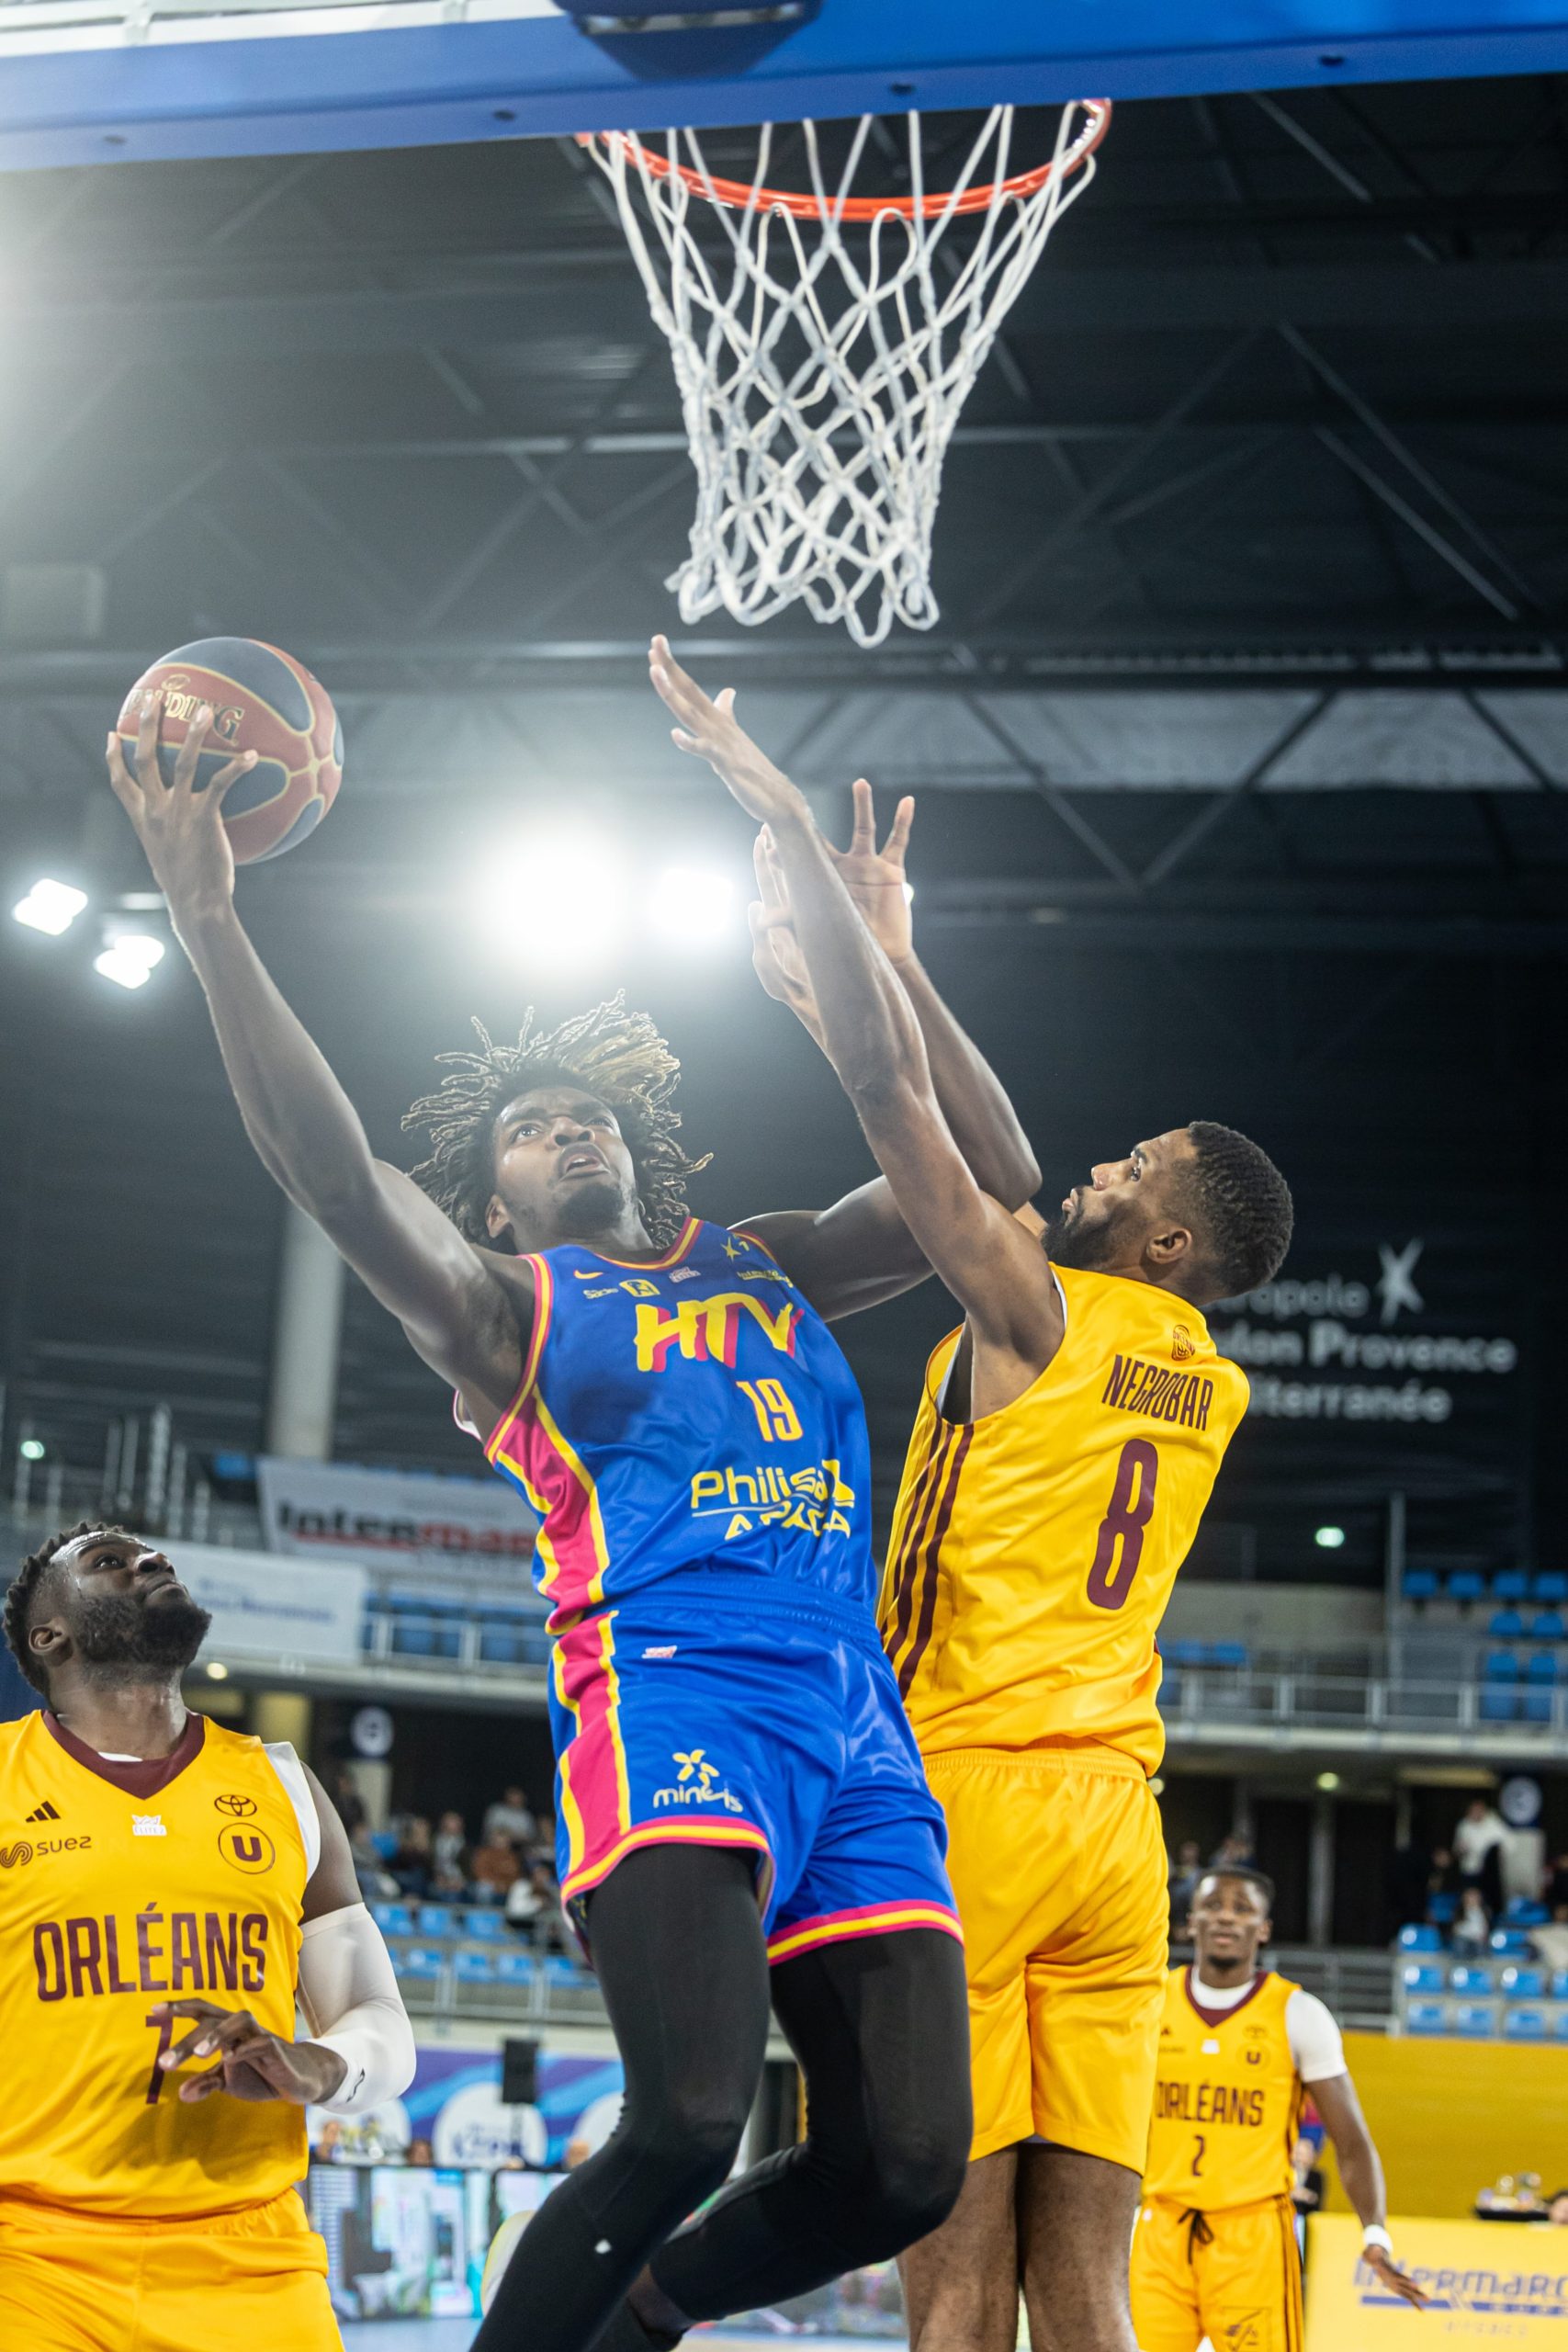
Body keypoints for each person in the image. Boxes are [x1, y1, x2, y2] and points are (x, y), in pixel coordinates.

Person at [107, 690, 1041, 2352]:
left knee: (906, 2168)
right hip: (673, 1689)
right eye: (531, 1131)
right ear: (497, 1203)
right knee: (683, 2122)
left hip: (856, 1721)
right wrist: (206, 917)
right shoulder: (501, 1307)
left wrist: (884, 955)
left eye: (585, 1113)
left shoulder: (765, 1255)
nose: (570, 1129)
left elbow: (993, 1166)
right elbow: (330, 1175)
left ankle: (648, 2321)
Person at [650, 637, 1294, 2352]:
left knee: (948, 2282)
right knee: (1083, 2287)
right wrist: (888, 953)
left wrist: (787, 830)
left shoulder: (1036, 1305)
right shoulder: (1199, 1373)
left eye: (1128, 1170)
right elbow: (968, 1132)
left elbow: (897, 1111)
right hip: (1118, 1823)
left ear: (1161, 1236)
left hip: (974, 1799)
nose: (1092, 1167)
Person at [0, 1521, 416, 2352]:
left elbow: (376, 2015)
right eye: (109, 1563)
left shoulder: (284, 1783)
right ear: (51, 1635)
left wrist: (320, 2064)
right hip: (31, 2257)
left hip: (251, 2256)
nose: (150, 1561)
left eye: (155, 1556)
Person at [1131, 1867, 1427, 2349]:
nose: (1226, 1917)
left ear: (1263, 1929)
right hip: (1161, 2226)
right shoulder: (1150, 2003)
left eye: (1242, 1908)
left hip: (1253, 2235)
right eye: (1213, 1906)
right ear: (1190, 1922)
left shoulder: (1298, 2014)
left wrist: (1375, 2232)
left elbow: (1352, 2142)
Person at [1454, 1796, 1506, 1914]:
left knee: (1488, 1903)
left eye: (1480, 1810)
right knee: (1469, 1903)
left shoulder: (1494, 1824)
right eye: (1474, 1810)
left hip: (1489, 1874)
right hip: (1470, 1871)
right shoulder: (1464, 1826)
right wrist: (1462, 1850)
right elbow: (1457, 1851)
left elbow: (1505, 1845)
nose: (1477, 1813)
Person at [483, 1784, 537, 1849]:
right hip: (495, 1848)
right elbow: (493, 1832)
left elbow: (530, 1837)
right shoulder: (497, 1810)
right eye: (512, 1795)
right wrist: (515, 1836)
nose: (515, 1798)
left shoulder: (526, 1815)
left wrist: (509, 1834)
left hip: (520, 1849)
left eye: (517, 1795)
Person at [1450, 1885, 1491, 1957]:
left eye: (1475, 1896)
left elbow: (1484, 1927)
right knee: (1460, 1944)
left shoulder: (1484, 1911)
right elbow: (1456, 1929)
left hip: (1478, 1938)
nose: (1472, 1898)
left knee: (1481, 1946)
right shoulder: (1459, 1911)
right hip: (1463, 1937)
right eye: (1470, 1896)